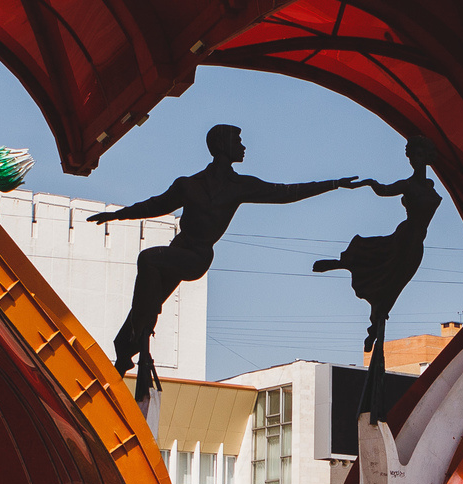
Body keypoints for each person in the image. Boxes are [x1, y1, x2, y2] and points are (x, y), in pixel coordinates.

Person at [88, 125, 362, 383]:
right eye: (238, 141)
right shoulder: (188, 184)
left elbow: (286, 193)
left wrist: (334, 183)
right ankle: (127, 351)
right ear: (222, 145)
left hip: (197, 256)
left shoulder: (240, 186)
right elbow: (156, 205)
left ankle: (138, 334)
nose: (243, 147)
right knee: (152, 290)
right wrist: (118, 215)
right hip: (178, 250)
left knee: (148, 261)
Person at [313, 139, 442, 413]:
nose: (414, 160)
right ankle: (345, 269)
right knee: (385, 281)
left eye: (419, 155)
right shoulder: (408, 184)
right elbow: (383, 189)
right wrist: (367, 183)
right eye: (412, 156)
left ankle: (374, 325)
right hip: (405, 238)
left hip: (416, 244)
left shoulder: (429, 186)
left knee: (392, 286)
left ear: (427, 157)